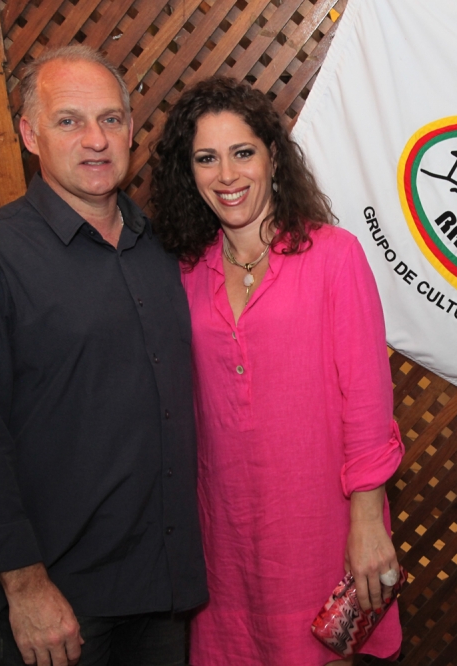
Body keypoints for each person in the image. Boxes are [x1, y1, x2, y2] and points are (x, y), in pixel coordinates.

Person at [0, 45, 207, 666]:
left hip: (162, 594)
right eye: (69, 121)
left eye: (110, 119)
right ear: (30, 135)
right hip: (57, 607)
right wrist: (24, 588)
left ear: (130, 130)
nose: (95, 140)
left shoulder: (165, 250)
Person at [149, 77, 405, 665]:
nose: (227, 175)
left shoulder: (334, 255)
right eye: (206, 158)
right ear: (188, 172)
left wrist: (368, 523)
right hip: (224, 535)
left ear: (272, 155)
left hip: (322, 525)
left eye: (242, 152)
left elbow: (368, 402)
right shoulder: (184, 272)